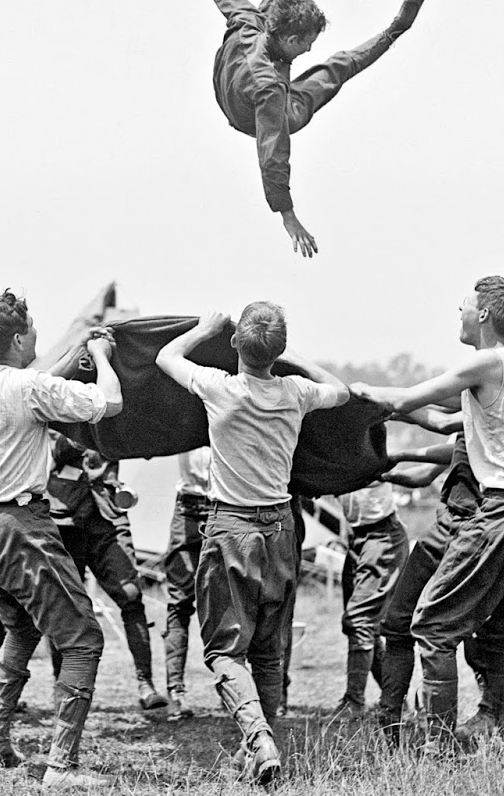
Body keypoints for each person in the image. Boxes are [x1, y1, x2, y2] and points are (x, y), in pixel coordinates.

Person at [354, 280, 504, 751]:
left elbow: (404, 401)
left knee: (432, 626)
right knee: (495, 633)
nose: (459, 308)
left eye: (466, 305)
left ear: (486, 315)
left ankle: (438, 746)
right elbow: (441, 419)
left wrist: (353, 393)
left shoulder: (486, 362)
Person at [156, 305, 349, 786]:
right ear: (278, 350)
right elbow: (342, 391)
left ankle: (259, 738)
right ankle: (265, 743)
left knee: (224, 651)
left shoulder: (221, 388)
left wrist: (204, 329)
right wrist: (296, 358)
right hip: (282, 529)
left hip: (231, 529)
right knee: (267, 650)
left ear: (236, 345)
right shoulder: (296, 391)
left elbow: (165, 356)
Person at [0, 291, 125, 790]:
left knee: (22, 628)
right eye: (31, 329)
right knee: (83, 639)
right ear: (16, 339)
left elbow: (39, 378)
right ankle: (61, 767)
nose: (36, 336)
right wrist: (98, 358)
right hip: (17, 527)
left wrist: (76, 353)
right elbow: (109, 403)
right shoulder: (27, 386)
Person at [210, 0, 429, 258]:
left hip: (238, 75)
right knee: (338, 67)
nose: (311, 47)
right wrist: (287, 215)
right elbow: (272, 154)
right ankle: (398, 28)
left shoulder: (253, 18)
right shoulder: (271, 92)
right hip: (249, 110)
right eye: (308, 41)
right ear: (292, 40)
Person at [47, 439, 170, 710]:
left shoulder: (112, 403)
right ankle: (63, 687)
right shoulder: (58, 402)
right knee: (64, 607)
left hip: (107, 516)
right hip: (64, 518)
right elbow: (60, 450)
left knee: (131, 594)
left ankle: (145, 684)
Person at [329, 479, 408, 719]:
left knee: (359, 621)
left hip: (382, 535)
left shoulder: (365, 444)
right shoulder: (332, 451)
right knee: (365, 628)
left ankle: (354, 702)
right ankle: (395, 699)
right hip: (358, 538)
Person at [162, 446, 212, 720]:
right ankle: (176, 692)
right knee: (179, 602)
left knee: (227, 604)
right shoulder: (186, 407)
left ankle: (234, 689)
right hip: (187, 508)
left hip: (225, 509)